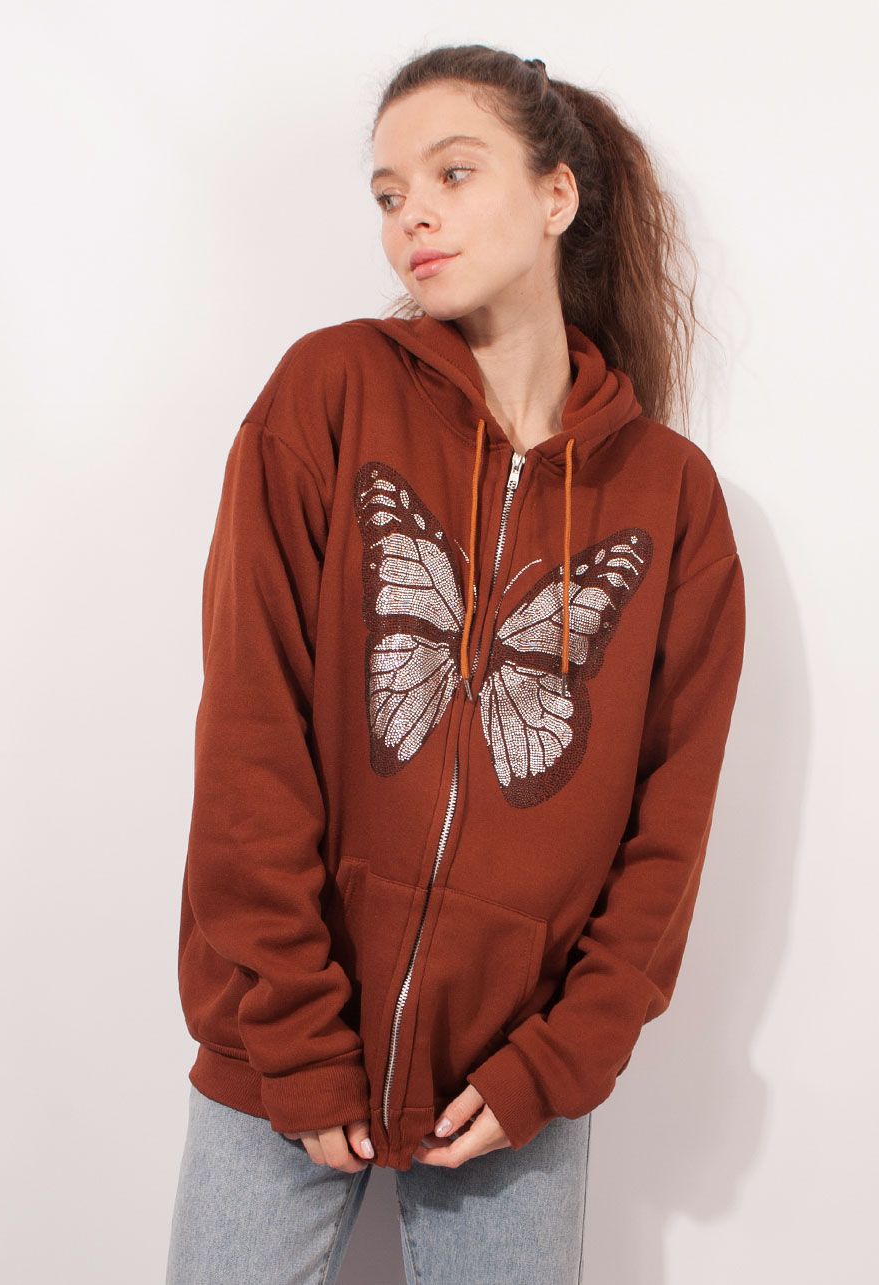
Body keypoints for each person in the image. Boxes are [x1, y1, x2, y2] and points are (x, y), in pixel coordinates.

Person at [166, 42, 746, 1285]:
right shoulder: (329, 393)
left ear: (555, 194)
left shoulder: (671, 499)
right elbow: (251, 732)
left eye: (451, 172)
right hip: (278, 1045)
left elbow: (670, 826)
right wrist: (296, 1033)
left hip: (510, 1082)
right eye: (387, 194)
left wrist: (562, 1056)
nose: (410, 216)